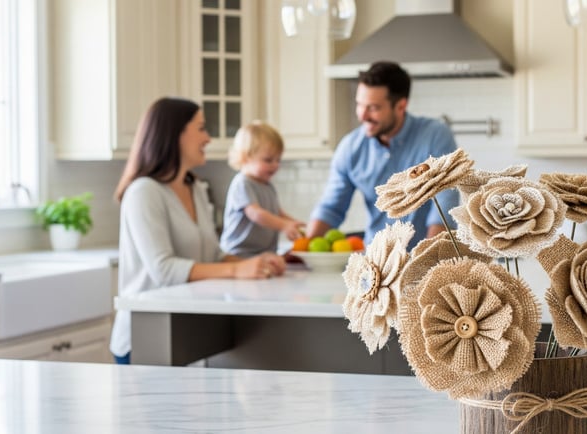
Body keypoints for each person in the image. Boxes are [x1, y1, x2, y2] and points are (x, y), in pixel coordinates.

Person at [110, 97, 287, 364]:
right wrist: (238, 270)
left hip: (188, 333)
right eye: (202, 128)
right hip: (146, 336)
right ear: (175, 134)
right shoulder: (143, 192)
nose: (209, 138)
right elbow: (164, 270)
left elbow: (213, 256)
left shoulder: (195, 187)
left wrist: (256, 263)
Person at [307, 61, 460, 248]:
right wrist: (301, 250)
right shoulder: (350, 147)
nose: (362, 115)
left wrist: (426, 260)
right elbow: (331, 208)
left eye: (373, 108)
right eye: (359, 105)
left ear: (401, 106)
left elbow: (444, 208)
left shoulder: (435, 135)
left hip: (425, 261)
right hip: (374, 265)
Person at [220, 121, 305, 257]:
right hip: (238, 253)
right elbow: (256, 214)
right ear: (245, 157)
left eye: (278, 160)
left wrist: (293, 224)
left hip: (263, 254)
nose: (275, 165)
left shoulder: (267, 185)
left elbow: (278, 213)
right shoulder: (242, 183)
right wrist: (284, 225)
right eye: (268, 160)